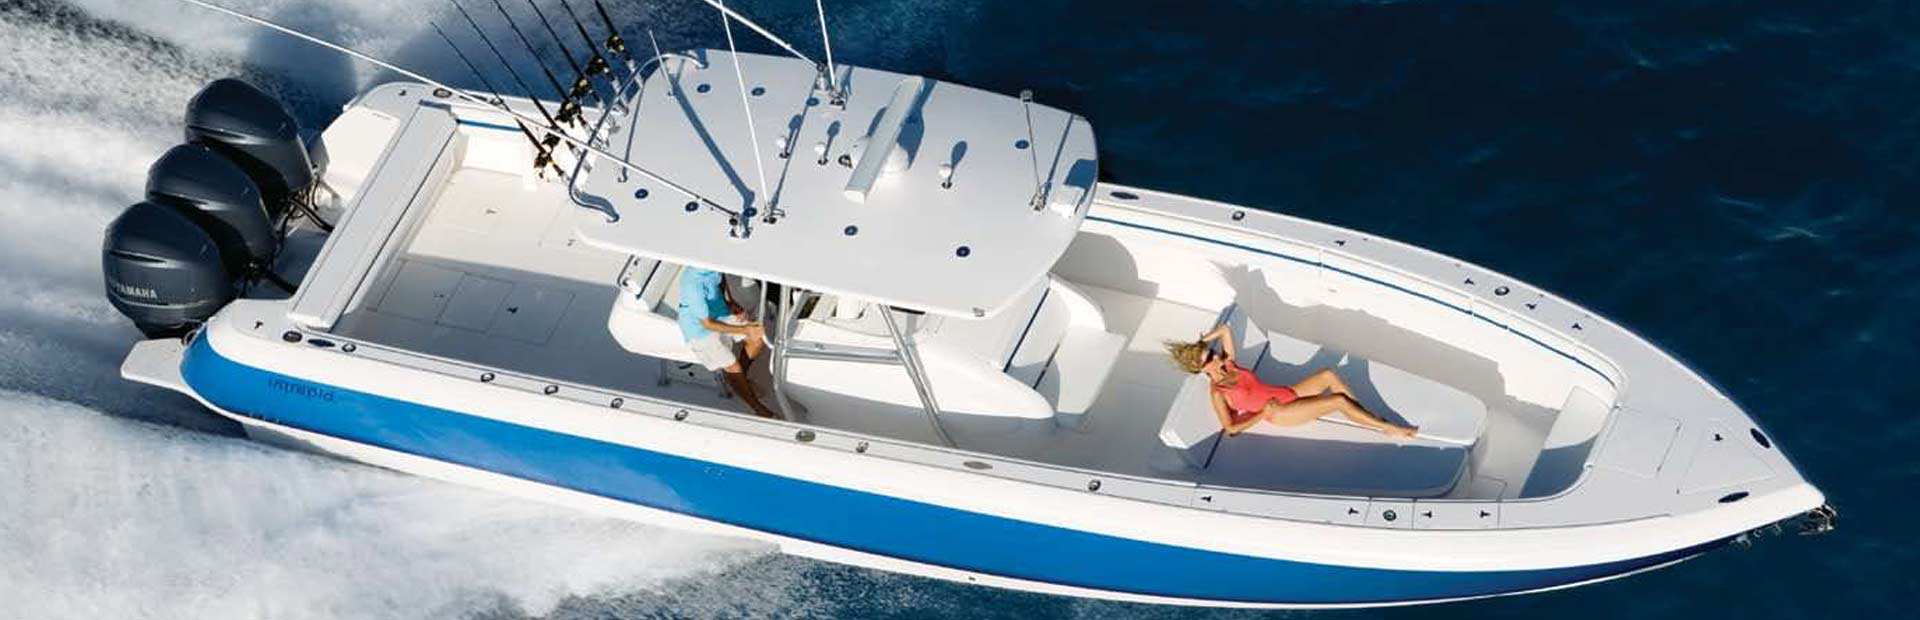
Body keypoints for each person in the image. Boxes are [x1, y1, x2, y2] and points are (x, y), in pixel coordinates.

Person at [1166, 322, 1416, 439]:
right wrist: (1263, 413)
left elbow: (1225, 329)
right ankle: (1385, 427)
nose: (1213, 355)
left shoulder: (1229, 362)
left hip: (1289, 392)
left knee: (1329, 374)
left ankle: (1366, 415)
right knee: (1338, 400)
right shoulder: (1217, 392)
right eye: (1207, 357)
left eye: (1210, 351)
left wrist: (1201, 341)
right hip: (1281, 413)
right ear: (1201, 369)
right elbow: (1230, 428)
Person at [677, 266, 779, 419]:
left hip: (720, 313)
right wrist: (745, 329)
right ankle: (757, 407)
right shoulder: (692, 284)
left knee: (756, 341)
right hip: (699, 329)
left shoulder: (713, 264)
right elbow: (707, 324)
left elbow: (721, 281)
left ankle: (740, 380)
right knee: (733, 366)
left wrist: (730, 302)